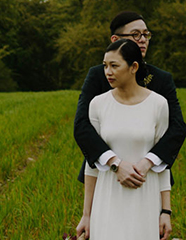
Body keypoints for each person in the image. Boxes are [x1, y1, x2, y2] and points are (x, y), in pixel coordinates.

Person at [75, 39, 172, 240]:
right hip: (107, 199)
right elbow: (92, 163)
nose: (107, 72)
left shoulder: (159, 104)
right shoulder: (98, 104)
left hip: (145, 199)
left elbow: (162, 162)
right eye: (105, 66)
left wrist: (166, 211)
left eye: (114, 66)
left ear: (133, 67)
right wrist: (86, 214)